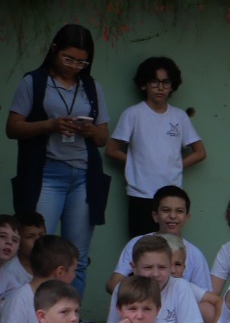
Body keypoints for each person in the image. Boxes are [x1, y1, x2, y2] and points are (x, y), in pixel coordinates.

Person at [5, 24, 111, 293]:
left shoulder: (91, 87)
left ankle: (69, 319)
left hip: (84, 177)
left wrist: (89, 130)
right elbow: (12, 128)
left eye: (82, 61)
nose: (75, 65)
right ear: (54, 50)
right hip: (46, 174)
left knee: (78, 256)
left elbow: (102, 138)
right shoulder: (35, 82)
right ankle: (31, 322)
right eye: (68, 58)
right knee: (37, 251)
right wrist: (49, 125)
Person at [105, 57, 206, 237]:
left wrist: (175, 165)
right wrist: (135, 163)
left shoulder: (179, 116)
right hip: (140, 193)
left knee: (170, 248)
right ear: (144, 85)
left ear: (172, 86)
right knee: (140, 247)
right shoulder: (133, 114)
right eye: (155, 81)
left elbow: (200, 153)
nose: (160, 87)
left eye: (165, 82)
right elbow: (111, 150)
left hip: (171, 196)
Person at [105, 185, 213, 295]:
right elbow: (113, 285)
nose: (172, 215)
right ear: (155, 216)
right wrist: (141, 300)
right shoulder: (137, 243)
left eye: (179, 211)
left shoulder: (195, 255)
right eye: (166, 210)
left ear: (187, 218)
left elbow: (205, 297)